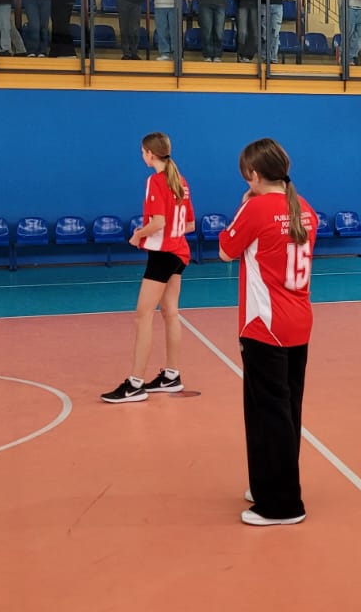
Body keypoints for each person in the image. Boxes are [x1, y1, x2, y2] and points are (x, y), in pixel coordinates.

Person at [218, 138, 318, 527]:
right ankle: (270, 484)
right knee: (286, 409)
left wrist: (245, 203)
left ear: (254, 174)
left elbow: (226, 249)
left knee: (268, 414)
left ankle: (282, 504)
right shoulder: (304, 208)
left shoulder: (256, 208)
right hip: (298, 322)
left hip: (265, 326)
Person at [101, 131, 195, 403]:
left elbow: (159, 222)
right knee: (170, 313)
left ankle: (134, 384)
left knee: (143, 316)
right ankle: (171, 376)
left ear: (150, 154)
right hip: (179, 253)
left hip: (163, 255)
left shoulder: (156, 181)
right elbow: (189, 224)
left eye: (143, 152)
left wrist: (138, 235)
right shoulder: (181, 181)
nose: (142, 156)